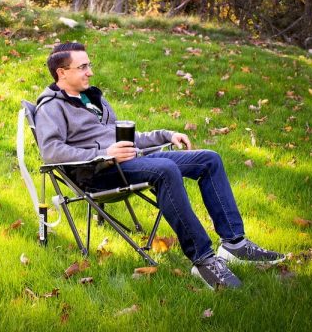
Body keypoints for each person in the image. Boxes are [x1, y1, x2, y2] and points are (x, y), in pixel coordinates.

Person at [34, 42, 285, 290]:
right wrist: (104, 153)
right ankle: (203, 259)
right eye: (83, 67)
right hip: (98, 174)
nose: (90, 72)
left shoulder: (92, 98)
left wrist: (165, 135)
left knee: (209, 159)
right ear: (62, 72)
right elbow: (51, 151)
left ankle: (234, 243)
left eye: (89, 65)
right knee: (165, 169)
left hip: (128, 163)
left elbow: (126, 138)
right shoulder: (52, 106)